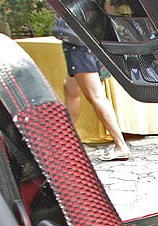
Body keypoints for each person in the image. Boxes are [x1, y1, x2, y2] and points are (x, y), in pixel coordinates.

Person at [53, 16, 131, 161]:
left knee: (96, 97)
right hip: (82, 42)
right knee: (71, 92)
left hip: (79, 45)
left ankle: (121, 146)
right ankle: (62, 142)